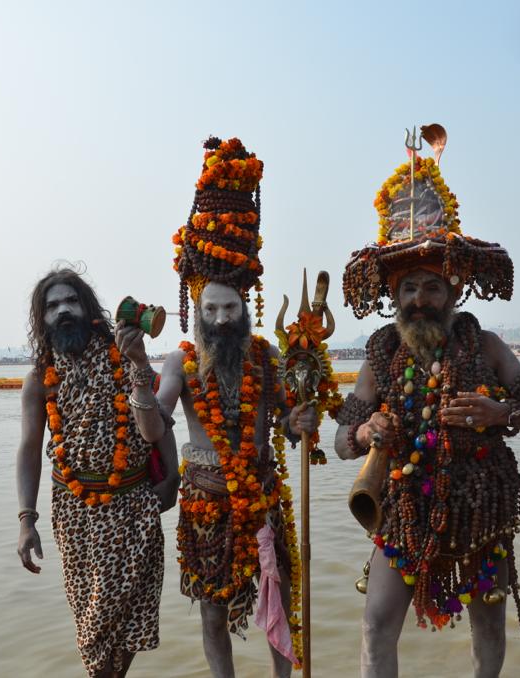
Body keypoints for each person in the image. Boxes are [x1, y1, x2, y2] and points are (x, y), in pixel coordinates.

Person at [334, 127, 520, 678]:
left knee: (489, 626)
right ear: (395, 295)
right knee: (376, 624)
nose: (419, 299)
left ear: (453, 291)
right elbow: (340, 441)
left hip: (482, 505)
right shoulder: (380, 353)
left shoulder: (485, 345)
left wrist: (501, 414)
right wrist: (366, 433)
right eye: (408, 288)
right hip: (404, 507)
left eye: (431, 287)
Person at [155, 136, 318, 678]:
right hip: (205, 504)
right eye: (213, 309)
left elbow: (290, 424)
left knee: (279, 596)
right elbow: (155, 422)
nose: (223, 318)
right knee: (211, 610)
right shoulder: (179, 365)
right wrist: (136, 383)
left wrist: (299, 422)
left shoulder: (266, 357)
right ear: (198, 310)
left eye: (232, 308)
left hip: (262, 498)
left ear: (245, 308)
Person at [15, 267, 179, 677]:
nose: (63, 310)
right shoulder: (39, 379)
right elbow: (29, 449)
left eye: (71, 301)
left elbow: (156, 429)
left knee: (122, 628)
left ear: (88, 308)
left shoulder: (123, 359)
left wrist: (172, 478)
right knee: (92, 629)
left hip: (131, 510)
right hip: (72, 515)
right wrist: (25, 519)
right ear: (43, 318)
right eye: (53, 306)